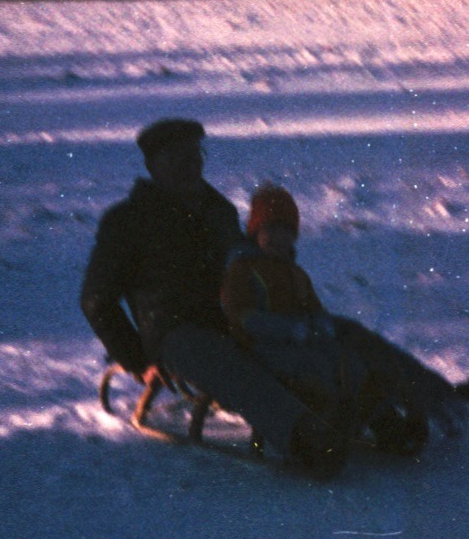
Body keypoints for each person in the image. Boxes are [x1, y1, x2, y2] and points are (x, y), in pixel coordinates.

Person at [79, 118, 349, 477]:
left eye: (194, 156)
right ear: (153, 166)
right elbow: (96, 298)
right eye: (175, 158)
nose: (189, 166)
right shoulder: (128, 221)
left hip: (234, 316)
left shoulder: (218, 210)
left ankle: (381, 406)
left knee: (331, 333)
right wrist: (138, 360)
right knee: (227, 363)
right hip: (175, 331)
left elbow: (248, 265)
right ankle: (303, 434)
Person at [222, 184, 431, 455]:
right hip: (261, 347)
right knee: (317, 368)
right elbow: (243, 317)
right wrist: (289, 330)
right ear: (255, 233)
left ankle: (384, 423)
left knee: (348, 362)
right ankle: (321, 428)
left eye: (283, 232)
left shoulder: (296, 273)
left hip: (300, 340)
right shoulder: (243, 268)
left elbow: (313, 308)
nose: (275, 238)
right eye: (268, 230)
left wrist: (321, 326)